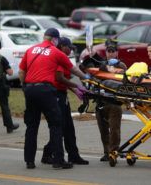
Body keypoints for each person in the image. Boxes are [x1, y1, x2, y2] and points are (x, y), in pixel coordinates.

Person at [19, 28, 89, 170]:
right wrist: (86, 78)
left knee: (32, 126)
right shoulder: (56, 52)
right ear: (55, 40)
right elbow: (73, 69)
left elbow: (21, 71)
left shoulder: (31, 50)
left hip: (30, 90)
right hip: (46, 90)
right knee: (56, 124)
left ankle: (29, 161)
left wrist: (24, 87)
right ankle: (58, 160)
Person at [41, 37, 89, 165]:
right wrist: (76, 86)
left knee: (69, 128)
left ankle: (73, 155)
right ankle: (47, 153)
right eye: (69, 48)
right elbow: (59, 78)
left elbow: (64, 81)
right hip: (56, 96)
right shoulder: (59, 58)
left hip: (62, 94)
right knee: (60, 128)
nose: (71, 50)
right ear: (62, 46)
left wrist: (75, 91)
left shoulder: (62, 57)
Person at [95, 39, 127, 161]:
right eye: (108, 51)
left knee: (114, 130)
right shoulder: (101, 65)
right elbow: (95, 79)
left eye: (113, 51)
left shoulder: (122, 66)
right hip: (101, 101)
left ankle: (113, 152)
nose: (111, 53)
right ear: (106, 52)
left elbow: (125, 81)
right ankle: (106, 151)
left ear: (117, 52)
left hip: (114, 103)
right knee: (103, 130)